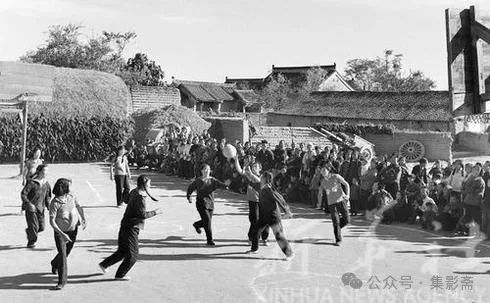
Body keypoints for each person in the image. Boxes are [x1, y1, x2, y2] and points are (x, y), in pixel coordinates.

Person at [99, 175, 162, 280]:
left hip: (125, 224)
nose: (150, 185)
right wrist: (156, 212)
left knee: (123, 251)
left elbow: (126, 200)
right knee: (133, 255)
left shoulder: (135, 191)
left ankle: (104, 264)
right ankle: (120, 275)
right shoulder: (140, 197)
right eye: (149, 184)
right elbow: (142, 215)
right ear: (144, 185)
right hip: (131, 227)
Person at [49, 178, 87, 290]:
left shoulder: (71, 197)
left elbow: (79, 207)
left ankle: (54, 263)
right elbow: (52, 221)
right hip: (60, 233)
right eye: (69, 185)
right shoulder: (55, 203)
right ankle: (62, 282)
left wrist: (83, 219)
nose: (71, 187)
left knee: (66, 253)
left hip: (73, 230)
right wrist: (62, 234)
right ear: (64, 187)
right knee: (63, 256)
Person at [248, 171, 293, 259]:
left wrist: (287, 211)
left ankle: (289, 254)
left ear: (265, 179)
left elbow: (280, 199)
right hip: (264, 216)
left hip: (273, 217)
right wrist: (246, 174)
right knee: (256, 231)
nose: (260, 177)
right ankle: (254, 249)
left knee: (279, 236)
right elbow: (251, 183)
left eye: (261, 177)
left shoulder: (269, 190)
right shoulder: (260, 186)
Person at [187, 164, 230, 246]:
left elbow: (221, 184)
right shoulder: (198, 181)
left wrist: (226, 186)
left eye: (208, 169)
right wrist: (189, 197)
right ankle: (209, 240)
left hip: (210, 203)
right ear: (202, 171)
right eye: (205, 169)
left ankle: (197, 224)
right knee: (207, 221)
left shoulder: (213, 180)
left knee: (207, 221)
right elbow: (190, 188)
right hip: (201, 203)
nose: (207, 171)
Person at [234, 157, 270, 245]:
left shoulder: (263, 177)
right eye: (253, 166)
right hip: (253, 201)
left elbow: (259, 182)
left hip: (263, 201)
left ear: (260, 168)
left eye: (256, 167)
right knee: (254, 220)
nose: (254, 168)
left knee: (265, 220)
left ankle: (264, 238)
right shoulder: (248, 175)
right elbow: (240, 170)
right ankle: (252, 237)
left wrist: (250, 173)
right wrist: (236, 159)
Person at [318, 163, 350, 246]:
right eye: (321, 171)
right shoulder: (323, 182)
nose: (323, 172)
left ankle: (338, 229)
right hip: (331, 203)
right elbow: (321, 192)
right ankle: (338, 239)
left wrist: (348, 195)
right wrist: (319, 201)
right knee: (336, 221)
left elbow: (346, 184)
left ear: (328, 170)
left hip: (341, 200)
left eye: (324, 170)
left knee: (347, 220)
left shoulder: (336, 176)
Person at [21, 164, 51, 248]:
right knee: (34, 226)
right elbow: (23, 194)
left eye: (47, 171)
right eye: (45, 170)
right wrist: (28, 203)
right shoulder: (31, 182)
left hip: (41, 208)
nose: (46, 172)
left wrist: (49, 206)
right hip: (31, 209)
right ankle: (31, 242)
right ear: (39, 171)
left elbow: (48, 196)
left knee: (41, 227)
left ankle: (29, 232)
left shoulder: (46, 183)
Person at [461, 163, 485, 236]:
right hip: (468, 201)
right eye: (473, 170)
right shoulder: (473, 178)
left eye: (475, 170)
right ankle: (467, 231)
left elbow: (470, 189)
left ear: (478, 171)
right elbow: (464, 185)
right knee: (468, 217)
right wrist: (470, 178)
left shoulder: (479, 180)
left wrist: (471, 179)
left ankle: (479, 233)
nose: (473, 172)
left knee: (476, 218)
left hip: (475, 202)